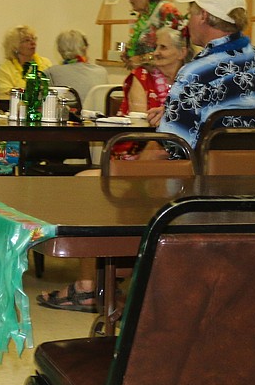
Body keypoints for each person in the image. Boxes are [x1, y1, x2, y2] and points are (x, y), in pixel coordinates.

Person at [38, 25, 193, 311]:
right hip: (143, 159)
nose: (155, 53)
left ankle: (96, 284)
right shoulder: (142, 77)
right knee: (87, 181)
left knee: (90, 182)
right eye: (155, 47)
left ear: (183, 52)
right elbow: (141, 128)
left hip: (177, 167)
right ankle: (94, 282)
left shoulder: (193, 80)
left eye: (163, 48)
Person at [151, 0, 255, 151]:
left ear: (203, 15)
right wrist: (173, 111)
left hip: (204, 175)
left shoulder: (196, 73)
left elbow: (174, 145)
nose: (188, 22)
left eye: (190, 14)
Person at [120, 0, 184, 70]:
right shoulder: (144, 16)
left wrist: (142, 59)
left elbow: (176, 51)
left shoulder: (166, 11)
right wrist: (128, 55)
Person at [45, 29, 107, 108]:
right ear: (84, 48)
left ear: (60, 50)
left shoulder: (51, 73)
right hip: (98, 119)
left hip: (70, 118)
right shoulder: (102, 71)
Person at [0, 25, 52, 97]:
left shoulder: (46, 64)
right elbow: (6, 96)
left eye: (33, 39)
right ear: (15, 47)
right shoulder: (5, 70)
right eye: (27, 40)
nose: (33, 43)